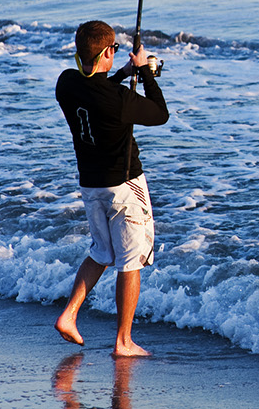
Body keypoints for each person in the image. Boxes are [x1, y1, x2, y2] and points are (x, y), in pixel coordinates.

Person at [54, 20, 169, 357]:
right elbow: (160, 113)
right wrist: (145, 72)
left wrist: (121, 72)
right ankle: (124, 342)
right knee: (130, 260)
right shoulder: (119, 101)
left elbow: (96, 90)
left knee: (101, 252)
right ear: (107, 51)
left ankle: (69, 314)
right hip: (124, 186)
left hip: (91, 186)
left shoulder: (66, 83)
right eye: (113, 49)